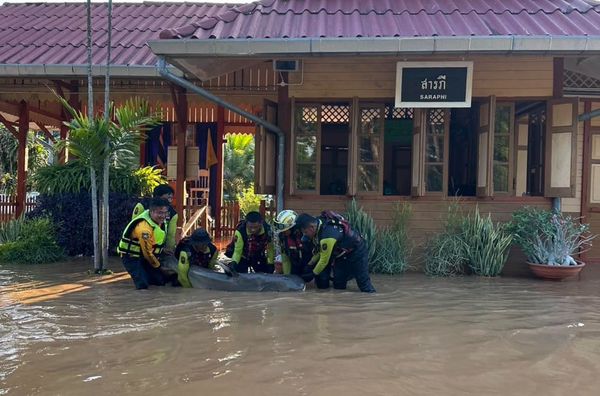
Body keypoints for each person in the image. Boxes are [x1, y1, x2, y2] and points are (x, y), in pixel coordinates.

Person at [296, 212, 376, 293]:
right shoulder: (319, 223)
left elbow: (324, 260)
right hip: (341, 255)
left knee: (364, 285)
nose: (305, 235)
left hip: (357, 251)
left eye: (305, 232)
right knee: (338, 285)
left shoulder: (327, 236)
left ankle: (372, 297)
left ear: (311, 227)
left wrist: (313, 274)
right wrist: (310, 264)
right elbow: (320, 251)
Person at [118, 197, 178, 289]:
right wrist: (159, 267)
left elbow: (154, 242)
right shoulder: (144, 229)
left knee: (160, 282)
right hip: (132, 257)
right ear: (151, 211)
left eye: (165, 213)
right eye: (160, 213)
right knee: (142, 285)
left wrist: (162, 250)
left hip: (147, 255)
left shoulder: (160, 221)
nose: (163, 216)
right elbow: (147, 253)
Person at [132, 184, 178, 252]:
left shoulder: (173, 213)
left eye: (171, 198)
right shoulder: (143, 205)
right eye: (167, 198)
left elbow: (171, 234)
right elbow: (134, 225)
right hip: (138, 246)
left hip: (158, 248)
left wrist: (169, 248)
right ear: (157, 197)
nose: (170, 201)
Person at [274, 209, 313, 276]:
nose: (282, 232)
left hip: (310, 262)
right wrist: (287, 276)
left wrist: (310, 267)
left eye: (285, 230)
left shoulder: (305, 234)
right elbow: (285, 258)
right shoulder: (282, 237)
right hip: (295, 263)